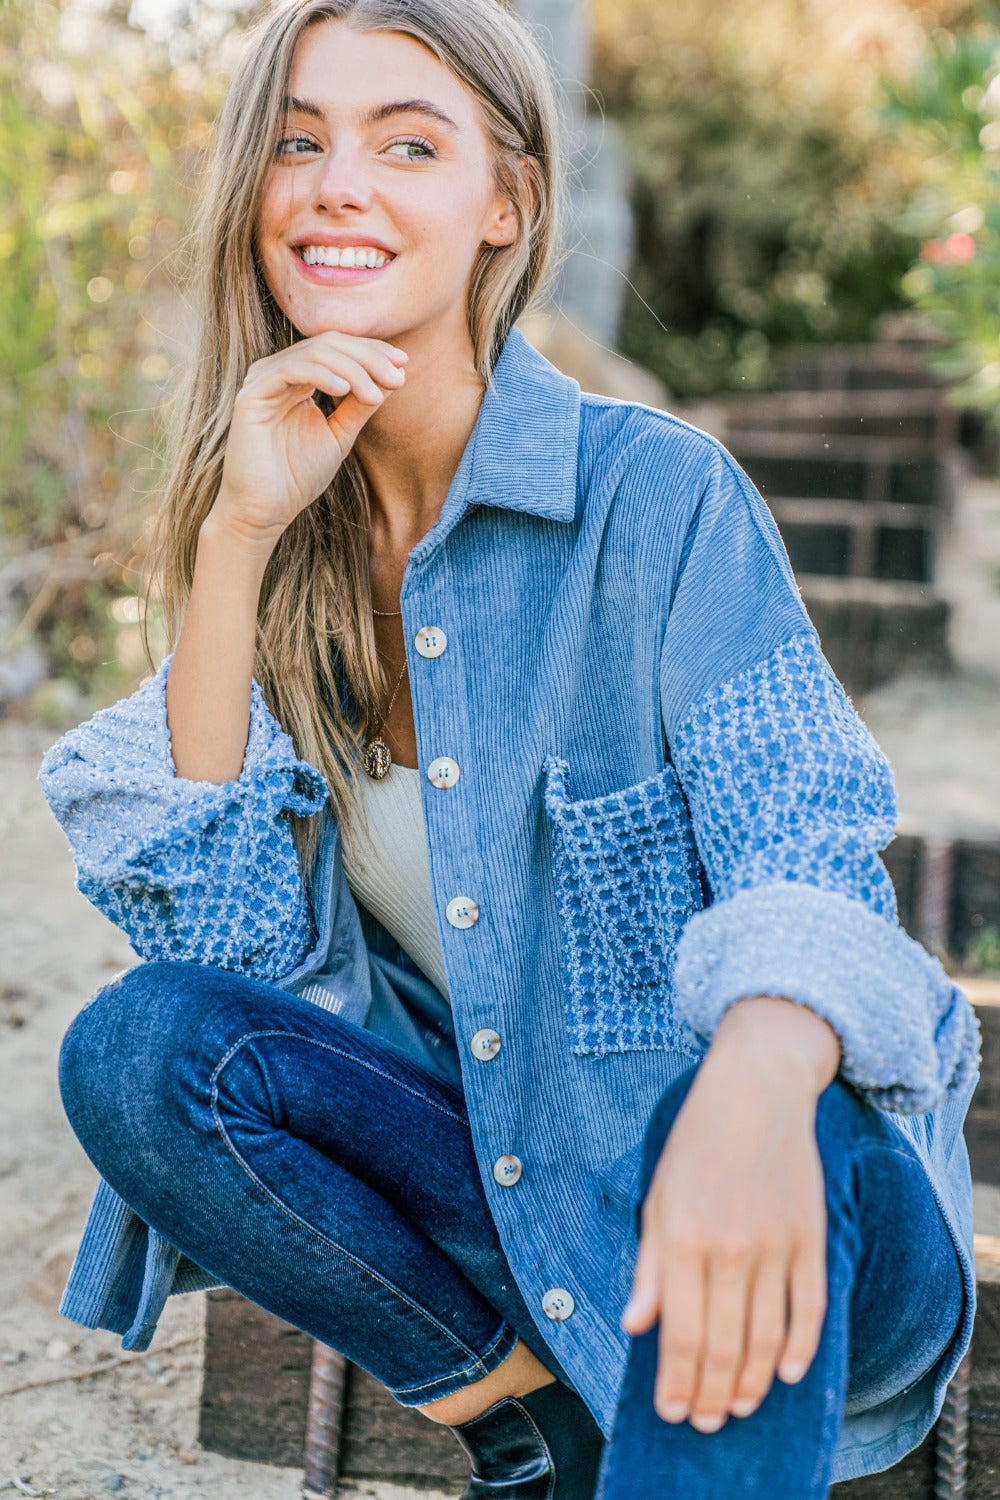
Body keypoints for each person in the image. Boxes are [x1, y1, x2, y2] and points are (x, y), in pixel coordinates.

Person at [37, 1, 981, 1496]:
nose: (338, 181)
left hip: (797, 1191)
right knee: (141, 1044)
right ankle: (529, 1427)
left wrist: (746, 1097)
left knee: (737, 1104)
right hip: (515, 1220)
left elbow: (805, 841)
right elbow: (226, 962)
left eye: (405, 141)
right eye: (300, 141)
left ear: (507, 203)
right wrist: (234, 537)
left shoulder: (656, 498)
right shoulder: (288, 554)